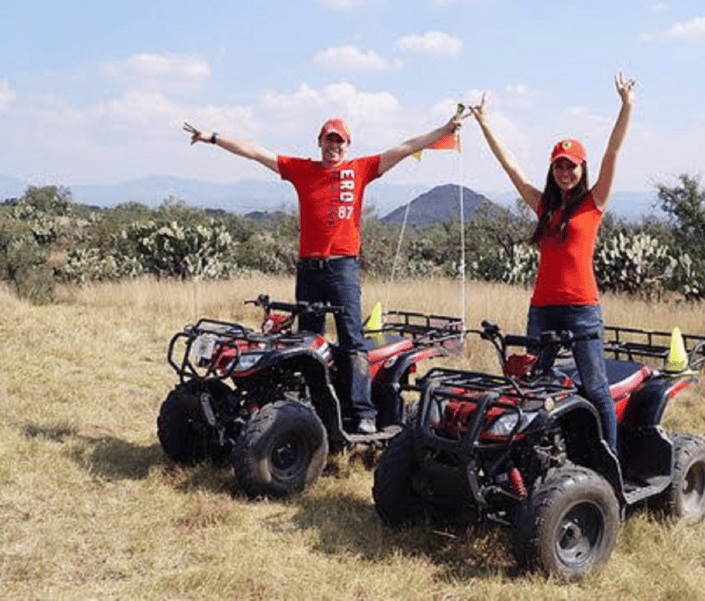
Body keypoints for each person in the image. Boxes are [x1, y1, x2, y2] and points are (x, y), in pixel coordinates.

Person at [183, 111, 464, 434]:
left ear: (347, 145)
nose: (334, 146)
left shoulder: (361, 169)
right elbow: (256, 152)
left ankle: (363, 412)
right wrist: (213, 138)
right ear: (319, 142)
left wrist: (444, 129)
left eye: (339, 141)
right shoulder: (301, 169)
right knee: (307, 340)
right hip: (309, 269)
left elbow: (405, 147)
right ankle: (311, 408)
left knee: (352, 338)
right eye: (329, 140)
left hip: (342, 267)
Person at [469, 73, 636, 456]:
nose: (565, 172)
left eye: (572, 166)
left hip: (582, 310)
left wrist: (626, 107)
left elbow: (612, 153)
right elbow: (511, 168)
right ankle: (534, 454)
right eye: (559, 166)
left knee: (594, 387)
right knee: (532, 384)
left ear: (582, 168)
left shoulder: (595, 202)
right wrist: (485, 125)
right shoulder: (544, 205)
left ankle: (608, 459)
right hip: (543, 310)